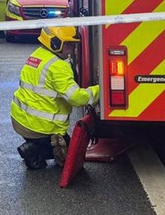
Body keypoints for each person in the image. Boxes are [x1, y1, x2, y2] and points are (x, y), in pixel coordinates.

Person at [11, 26, 100, 170]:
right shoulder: (58, 66)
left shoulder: (38, 55)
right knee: (70, 155)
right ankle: (34, 151)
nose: (72, 49)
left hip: (20, 120)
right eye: (69, 44)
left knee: (66, 149)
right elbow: (77, 98)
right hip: (39, 127)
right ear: (55, 43)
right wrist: (99, 89)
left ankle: (37, 146)